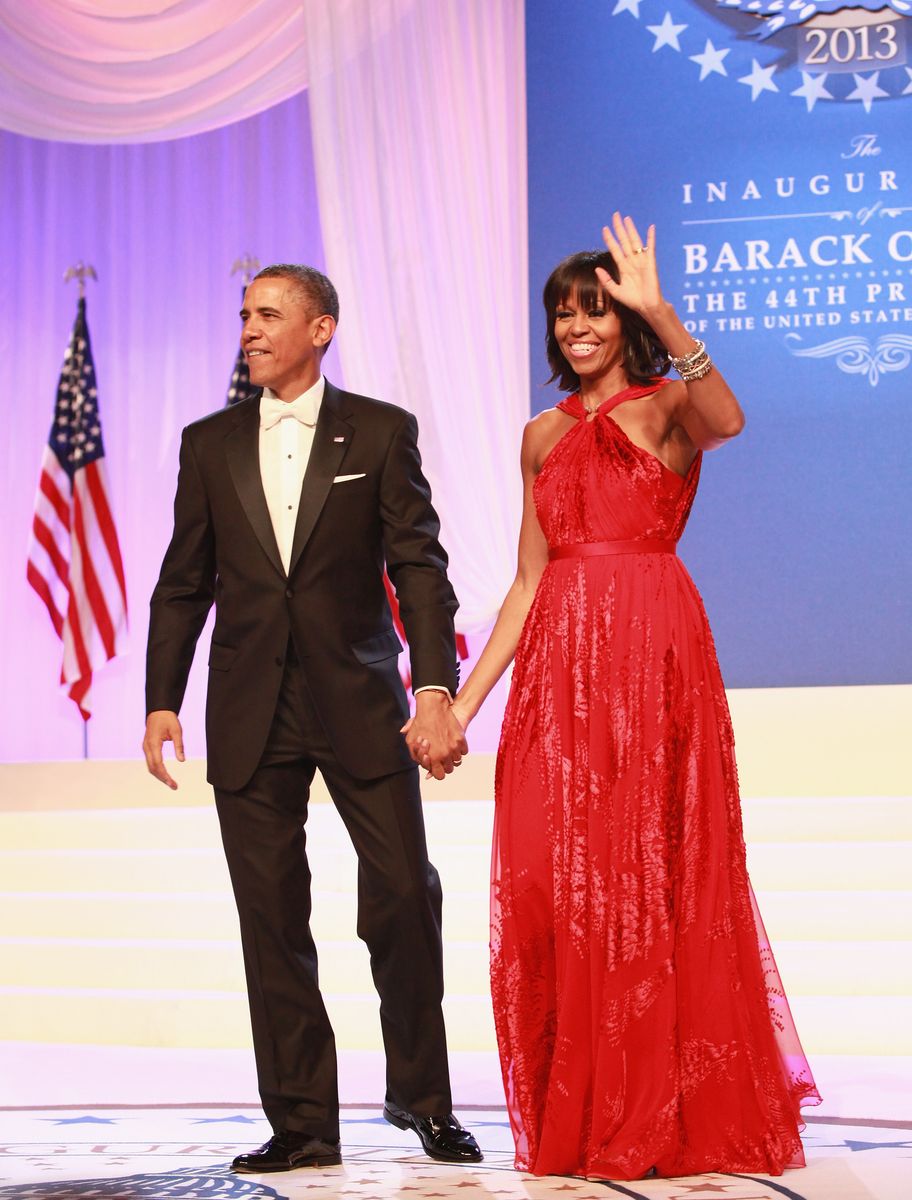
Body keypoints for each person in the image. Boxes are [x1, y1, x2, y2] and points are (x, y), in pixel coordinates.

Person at [445, 215, 820, 1179]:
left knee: (656, 872)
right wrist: (460, 700)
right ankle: (586, 1103)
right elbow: (527, 583)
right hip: (558, 675)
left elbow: (728, 422)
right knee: (552, 880)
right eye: (563, 314)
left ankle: (663, 1104)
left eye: (596, 311)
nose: (577, 328)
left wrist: (664, 309)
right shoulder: (539, 436)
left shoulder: (665, 409)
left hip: (653, 654)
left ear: (625, 322)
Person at [142, 264, 481, 1173]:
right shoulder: (207, 442)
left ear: (321, 328)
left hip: (361, 699)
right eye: (245, 315)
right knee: (271, 917)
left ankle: (422, 1099)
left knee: (406, 893)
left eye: (268, 314)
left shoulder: (379, 429)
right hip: (251, 708)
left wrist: (435, 686)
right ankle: (301, 1123)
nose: (249, 328)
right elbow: (184, 581)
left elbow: (420, 567)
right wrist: (161, 699)